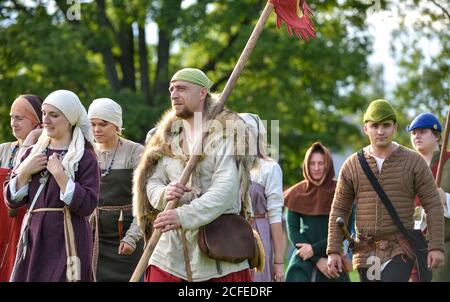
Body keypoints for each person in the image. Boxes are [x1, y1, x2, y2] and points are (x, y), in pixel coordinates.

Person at [133, 68, 254, 282]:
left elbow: (225, 191)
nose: (173, 94)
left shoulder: (226, 136)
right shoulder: (165, 140)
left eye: (181, 88)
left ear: (202, 93)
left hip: (217, 255)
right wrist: (164, 193)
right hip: (168, 257)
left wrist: (182, 216)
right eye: (171, 89)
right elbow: (152, 183)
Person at [327, 99, 445, 282]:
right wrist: (334, 250)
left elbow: (433, 205)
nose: (380, 131)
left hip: (400, 249)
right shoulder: (352, 165)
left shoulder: (413, 162)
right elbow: (339, 209)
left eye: (386, 125)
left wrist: (436, 246)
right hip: (366, 252)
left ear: (395, 128)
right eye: (374, 126)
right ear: (366, 129)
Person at [4, 89, 100, 282]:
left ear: (70, 119)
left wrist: (61, 176)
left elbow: (89, 205)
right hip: (33, 238)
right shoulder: (31, 153)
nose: (46, 120)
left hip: (68, 238)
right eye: (44, 114)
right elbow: (11, 201)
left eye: (54, 115)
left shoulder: (85, 157)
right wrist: (24, 172)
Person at [88, 98, 144, 282]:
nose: (97, 129)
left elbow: (144, 201)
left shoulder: (135, 152)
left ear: (116, 124)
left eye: (103, 124)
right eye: (93, 124)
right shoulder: (85, 152)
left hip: (124, 233)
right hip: (93, 234)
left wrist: (132, 237)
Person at [284, 142, 349, 282]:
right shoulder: (296, 193)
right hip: (304, 257)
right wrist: (317, 258)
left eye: (321, 163)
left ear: (328, 165)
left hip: (333, 257)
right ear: (306, 165)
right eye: (312, 163)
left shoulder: (342, 191)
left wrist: (314, 249)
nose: (316, 168)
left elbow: (345, 229)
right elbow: (293, 230)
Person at [0, 95, 43, 281]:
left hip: (27, 225)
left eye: (19, 118)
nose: (13, 123)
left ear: (36, 122)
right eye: (12, 117)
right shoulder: (3, 150)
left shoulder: (44, 151)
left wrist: (32, 140)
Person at [239, 113, 285, 282]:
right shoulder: (226, 167)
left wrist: (278, 262)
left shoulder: (269, 168)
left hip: (258, 232)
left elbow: (275, 216)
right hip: (229, 233)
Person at [407, 112, 450, 282]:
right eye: (413, 133)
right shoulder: (409, 168)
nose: (417, 136)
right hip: (414, 250)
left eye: (422, 131)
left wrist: (445, 199)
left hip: (445, 249)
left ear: (437, 135)